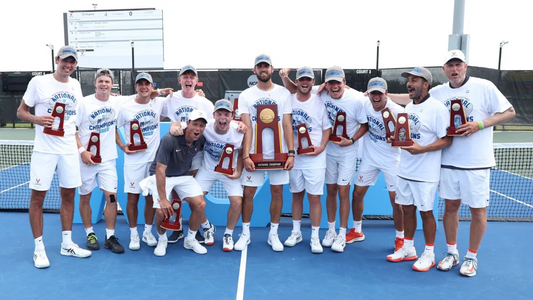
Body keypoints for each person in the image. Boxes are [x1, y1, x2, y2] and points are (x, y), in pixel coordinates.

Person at [431, 50, 515, 277]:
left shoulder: (485, 86)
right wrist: (376, 94)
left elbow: (509, 112)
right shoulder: (437, 92)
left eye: (458, 64)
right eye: (450, 65)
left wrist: (480, 124)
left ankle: (471, 257)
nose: (454, 69)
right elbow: (411, 99)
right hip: (448, 162)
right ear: (444, 69)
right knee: (449, 208)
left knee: (478, 211)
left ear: (465, 66)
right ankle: (451, 252)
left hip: (477, 163)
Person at [17, 45, 91, 268]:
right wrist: (37, 119)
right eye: (65, 60)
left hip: (68, 149)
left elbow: (75, 118)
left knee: (69, 195)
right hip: (45, 149)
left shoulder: (76, 85)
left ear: (76, 65)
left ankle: (67, 244)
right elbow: (21, 112)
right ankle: (39, 249)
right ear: (57, 60)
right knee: (38, 198)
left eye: (72, 62)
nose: (68, 65)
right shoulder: (38, 82)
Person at [386, 67, 452, 272]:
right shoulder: (407, 109)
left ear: (426, 84)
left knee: (426, 213)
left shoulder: (437, 108)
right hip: (404, 169)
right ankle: (408, 248)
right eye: (409, 80)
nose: (409, 84)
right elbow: (406, 137)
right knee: (407, 210)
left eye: (415, 80)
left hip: (425, 173)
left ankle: (430, 253)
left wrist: (422, 149)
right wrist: (395, 140)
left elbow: (447, 140)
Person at [236, 54, 295, 252]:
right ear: (254, 70)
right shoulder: (246, 95)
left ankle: (274, 234)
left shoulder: (284, 94)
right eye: (259, 66)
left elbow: (287, 124)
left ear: (271, 69)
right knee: (249, 192)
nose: (263, 69)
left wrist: (291, 153)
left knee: (277, 192)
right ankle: (245, 233)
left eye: (266, 66)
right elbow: (246, 127)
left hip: (279, 153)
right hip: (254, 153)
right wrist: (245, 155)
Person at [346, 77, 405, 252]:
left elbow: (406, 137)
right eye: (373, 93)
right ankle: (357, 230)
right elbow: (346, 89)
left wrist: (396, 138)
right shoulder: (364, 103)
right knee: (357, 194)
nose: (376, 97)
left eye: (379, 93)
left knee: (397, 201)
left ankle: (400, 238)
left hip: (392, 160)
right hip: (370, 158)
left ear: (386, 94)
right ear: (368, 94)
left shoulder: (398, 111)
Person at [139, 110, 209, 256]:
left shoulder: (201, 140)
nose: (198, 129)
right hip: (162, 175)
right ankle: (162, 239)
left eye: (201, 126)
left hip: (183, 176)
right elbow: (160, 170)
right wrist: (164, 199)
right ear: (187, 124)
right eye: (195, 124)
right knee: (161, 210)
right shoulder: (169, 139)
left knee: (200, 204)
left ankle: (190, 239)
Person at [116, 72, 168, 251]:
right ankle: (133, 234)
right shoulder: (125, 108)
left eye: (147, 84)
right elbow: (114, 128)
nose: (144, 87)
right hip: (133, 161)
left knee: (150, 198)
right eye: (140, 84)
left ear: (152, 87)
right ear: (136, 87)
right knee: (132, 197)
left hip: (153, 161)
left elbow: (179, 104)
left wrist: (199, 95)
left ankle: (147, 232)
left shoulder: (159, 103)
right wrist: (123, 146)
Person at [283, 67, 331, 254]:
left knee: (314, 197)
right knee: (296, 195)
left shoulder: (319, 101)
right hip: (296, 157)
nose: (305, 82)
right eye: (301, 79)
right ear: (298, 82)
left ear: (313, 82)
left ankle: (314, 236)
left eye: (308, 80)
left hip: (315, 158)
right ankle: (296, 232)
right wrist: (290, 151)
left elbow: (327, 128)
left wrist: (322, 147)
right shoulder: (289, 101)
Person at [75, 68, 124, 253]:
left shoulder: (117, 102)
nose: (104, 84)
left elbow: (142, 97)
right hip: (86, 161)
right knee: (85, 197)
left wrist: (162, 92)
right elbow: (71, 130)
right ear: (95, 83)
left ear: (112, 85)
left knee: (112, 198)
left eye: (107, 81)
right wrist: (82, 151)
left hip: (107, 162)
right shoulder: (84, 103)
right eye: (101, 81)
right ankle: (90, 233)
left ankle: (110, 237)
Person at [321, 66, 368, 253]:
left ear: (344, 84)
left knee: (343, 191)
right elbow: (299, 89)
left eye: (337, 83)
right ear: (326, 85)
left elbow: (364, 125)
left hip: (348, 153)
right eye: (330, 83)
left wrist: (351, 140)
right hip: (329, 152)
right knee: (330, 190)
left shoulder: (356, 100)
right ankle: (331, 230)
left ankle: (342, 233)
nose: (334, 86)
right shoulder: (321, 94)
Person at [166, 65, 215, 244]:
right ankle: (177, 227)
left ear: (196, 81)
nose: (188, 80)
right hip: (176, 150)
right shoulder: (170, 99)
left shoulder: (205, 103)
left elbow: (216, 123)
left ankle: (197, 227)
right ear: (179, 80)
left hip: (196, 153)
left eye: (191, 77)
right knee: (176, 191)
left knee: (193, 191)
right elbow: (150, 104)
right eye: (184, 77)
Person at [195, 100, 245, 251]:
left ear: (232, 116)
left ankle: (228, 234)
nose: (222, 118)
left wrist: (239, 171)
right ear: (214, 115)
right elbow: (180, 125)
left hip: (229, 171)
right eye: (219, 114)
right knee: (194, 200)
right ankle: (207, 227)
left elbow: (242, 152)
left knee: (237, 202)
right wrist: (174, 126)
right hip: (208, 169)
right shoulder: (205, 126)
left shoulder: (239, 131)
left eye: (226, 114)